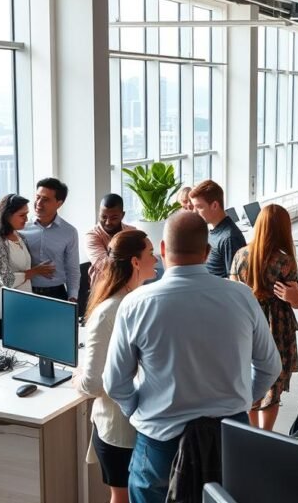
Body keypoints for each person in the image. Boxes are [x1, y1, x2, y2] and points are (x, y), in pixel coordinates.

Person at [103, 212, 281, 503]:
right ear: (207, 252)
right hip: (228, 436)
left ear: (162, 250)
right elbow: (270, 366)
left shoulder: (136, 304)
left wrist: (137, 411)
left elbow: (115, 383)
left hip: (160, 441)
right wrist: (242, 400)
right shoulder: (241, 296)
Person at [72, 230, 157, 503]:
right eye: (150, 253)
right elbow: (93, 383)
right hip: (119, 430)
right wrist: (76, 377)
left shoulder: (137, 300)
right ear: (135, 262)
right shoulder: (109, 311)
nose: (156, 259)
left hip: (139, 424)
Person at [228, 205, 298, 431]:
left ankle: (250, 432)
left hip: (245, 323)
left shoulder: (240, 255)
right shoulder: (285, 261)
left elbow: (232, 292)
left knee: (249, 377)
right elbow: (297, 302)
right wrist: (295, 296)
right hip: (276, 325)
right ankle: (266, 433)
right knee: (273, 382)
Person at [0, 194, 45, 338]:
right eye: (21, 215)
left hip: (23, 305)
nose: (26, 218)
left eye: (27, 214)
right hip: (3, 308)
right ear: (7, 216)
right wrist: (33, 272)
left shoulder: (20, 236)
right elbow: (6, 280)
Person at [21, 177, 80, 302]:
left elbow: (73, 269)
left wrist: (73, 296)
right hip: (25, 291)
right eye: (37, 197)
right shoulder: (20, 228)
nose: (39, 203)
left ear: (59, 203)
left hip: (57, 294)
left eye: (45, 199)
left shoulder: (69, 232)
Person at [190, 179, 246, 279]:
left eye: (199, 207)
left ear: (215, 205)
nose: (194, 212)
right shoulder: (213, 231)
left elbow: (236, 282)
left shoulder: (230, 238)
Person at [85, 193, 135, 286]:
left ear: (122, 215)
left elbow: (143, 259)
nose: (108, 222)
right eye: (103, 217)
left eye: (114, 218)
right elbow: (106, 267)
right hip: (103, 289)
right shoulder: (92, 235)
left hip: (133, 285)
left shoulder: (132, 232)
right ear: (99, 213)